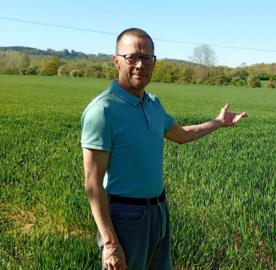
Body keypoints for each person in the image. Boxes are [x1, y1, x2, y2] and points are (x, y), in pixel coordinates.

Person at [81, 28, 247, 270]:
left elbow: (182, 135)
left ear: (154, 62)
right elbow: (92, 183)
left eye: (147, 57)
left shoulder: (153, 104)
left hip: (159, 212)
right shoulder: (102, 111)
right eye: (132, 57)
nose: (140, 64)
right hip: (125, 218)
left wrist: (218, 122)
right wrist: (110, 243)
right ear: (116, 61)